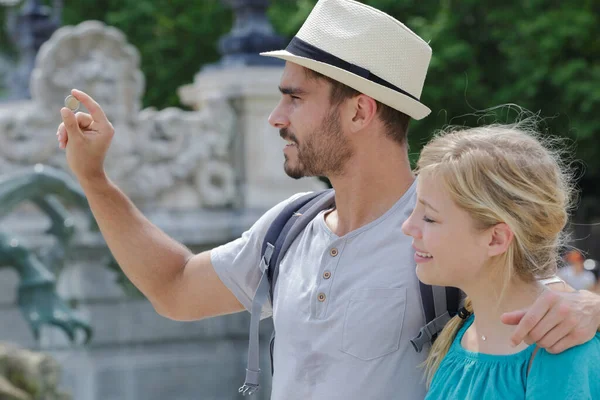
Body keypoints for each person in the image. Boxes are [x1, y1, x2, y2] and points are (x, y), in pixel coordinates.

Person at [55, 0, 600, 398]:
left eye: (294, 97)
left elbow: (530, 285)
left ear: (360, 112)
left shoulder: (446, 230)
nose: (276, 117)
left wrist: (590, 308)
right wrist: (96, 182)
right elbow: (174, 289)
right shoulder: (288, 227)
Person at [402, 123, 600, 399]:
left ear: (496, 239)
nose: (407, 227)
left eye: (430, 218)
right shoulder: (461, 334)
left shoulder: (560, 353)